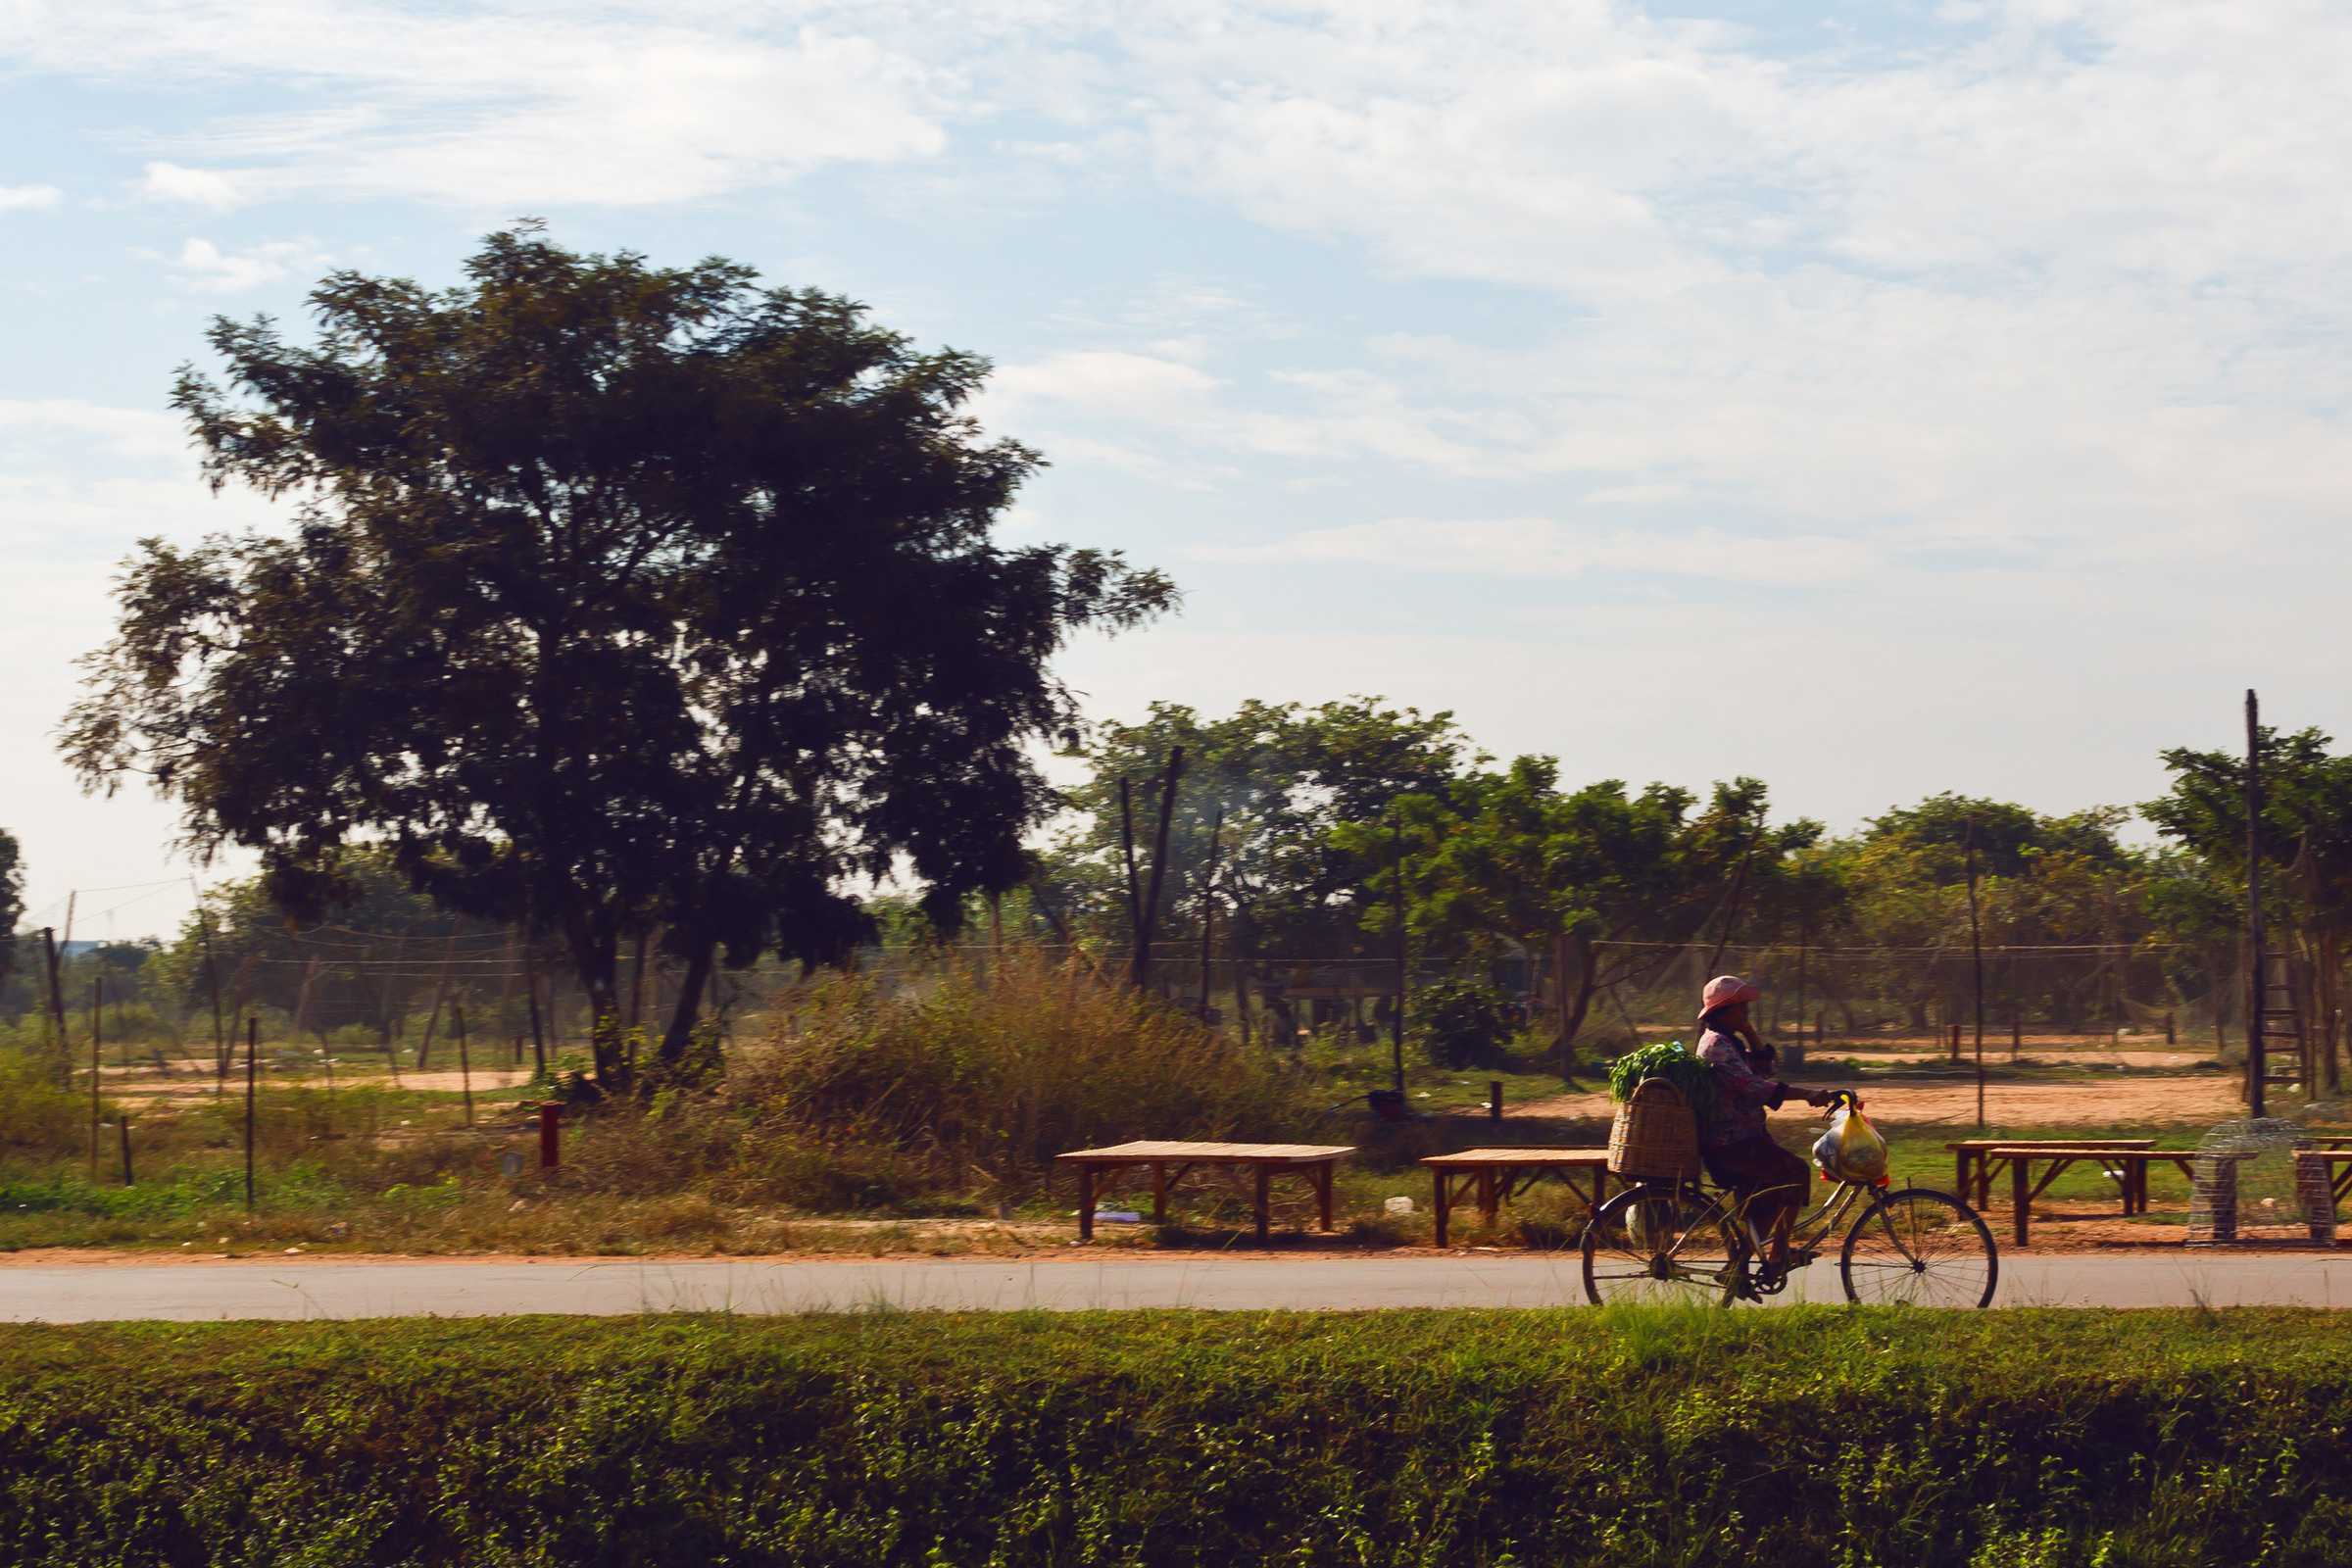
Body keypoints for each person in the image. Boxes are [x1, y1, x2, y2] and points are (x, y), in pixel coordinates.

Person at [1692, 975, 1832, 1278]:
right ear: (1722, 1011)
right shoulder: (1717, 1045)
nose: (1746, 1013)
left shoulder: (1729, 1040)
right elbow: (1754, 1085)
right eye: (1740, 1008)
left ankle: (1737, 1268)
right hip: (1730, 1143)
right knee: (1795, 1172)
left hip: (1745, 1137)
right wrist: (1806, 1095)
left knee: (1770, 1198)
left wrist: (1750, 1032)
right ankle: (1780, 1254)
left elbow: (1763, 1069)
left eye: (1746, 1008)